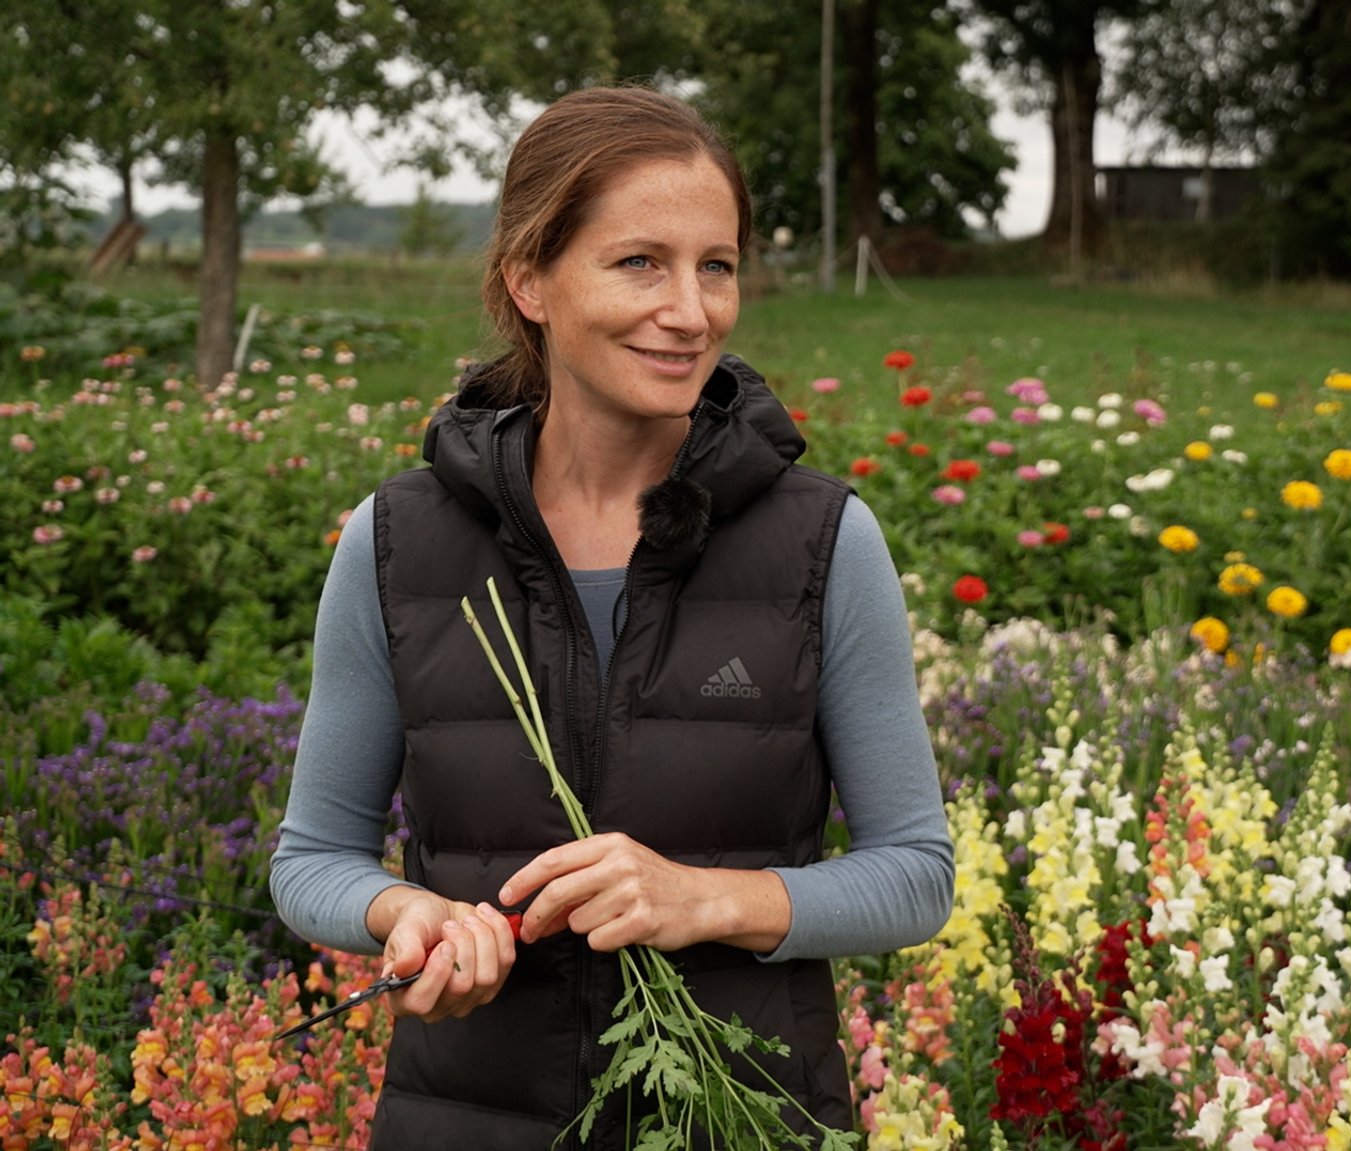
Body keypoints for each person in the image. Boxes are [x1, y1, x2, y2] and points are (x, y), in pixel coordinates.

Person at [270, 86, 954, 1149]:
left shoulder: (821, 541)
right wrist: (409, 915)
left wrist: (704, 899)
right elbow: (313, 856)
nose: (692, 310)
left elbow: (914, 874)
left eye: (715, 265)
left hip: (744, 1120)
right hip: (465, 1122)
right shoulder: (397, 542)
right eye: (641, 261)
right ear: (530, 280)